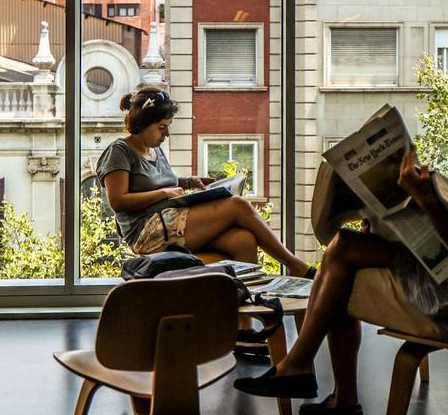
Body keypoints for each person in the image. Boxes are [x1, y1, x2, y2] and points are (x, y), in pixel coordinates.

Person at [235, 106, 448, 415]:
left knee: (342, 273)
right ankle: (309, 374)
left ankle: (318, 381)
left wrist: (430, 200)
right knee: (346, 249)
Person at [96, 87, 312, 277]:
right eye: (162, 127)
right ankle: (295, 265)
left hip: (168, 220)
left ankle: (241, 318)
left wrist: (190, 182)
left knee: (244, 241)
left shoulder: (155, 149)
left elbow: (155, 182)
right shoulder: (119, 151)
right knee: (238, 205)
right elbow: (118, 201)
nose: (167, 134)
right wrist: (166, 194)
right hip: (147, 231)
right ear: (142, 124)